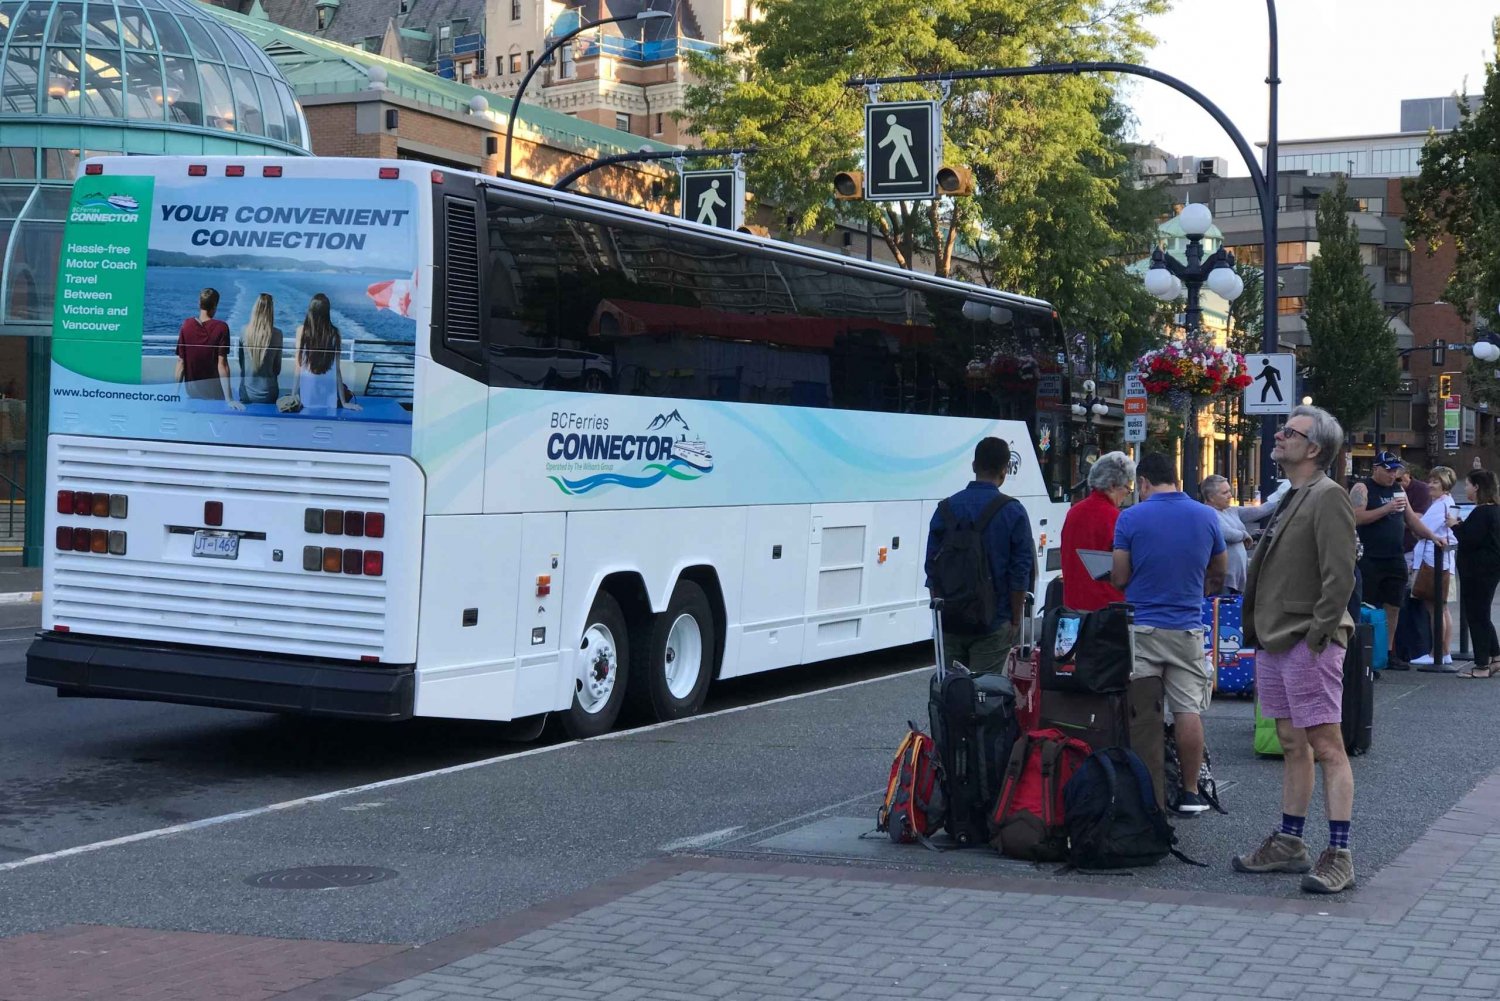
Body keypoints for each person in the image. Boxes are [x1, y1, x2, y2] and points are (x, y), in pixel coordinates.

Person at [1232, 405, 1358, 893]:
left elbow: (1339, 574)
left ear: (1315, 449)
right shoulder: (1293, 495)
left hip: (1307, 639)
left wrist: (1319, 633)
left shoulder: (1328, 497)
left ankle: (1340, 853)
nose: (1279, 436)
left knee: (1327, 745)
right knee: (1290, 742)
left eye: (1291, 432)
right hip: (1276, 639)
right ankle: (1290, 842)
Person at [1111, 453, 1227, 814]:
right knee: (1187, 710)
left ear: (1144, 482)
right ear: (1175, 478)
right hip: (1187, 627)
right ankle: (1190, 793)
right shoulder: (1207, 516)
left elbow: (1119, 577)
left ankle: (1148, 794)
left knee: (1143, 711)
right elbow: (1219, 571)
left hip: (1142, 627)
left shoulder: (1130, 517)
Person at [925, 437, 1034, 675]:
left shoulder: (945, 508)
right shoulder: (1013, 511)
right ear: (1005, 470)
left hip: (951, 620)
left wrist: (941, 614)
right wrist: (1015, 619)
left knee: (951, 692)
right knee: (984, 696)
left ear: (974, 465)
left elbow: (931, 569)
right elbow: (1020, 572)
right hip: (992, 622)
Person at [1352, 452, 1441, 669]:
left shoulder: (1398, 490)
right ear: (1376, 468)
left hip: (1394, 556)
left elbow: (1410, 519)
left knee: (1394, 606)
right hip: (1369, 556)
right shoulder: (1362, 488)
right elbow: (1355, 517)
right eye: (1388, 470)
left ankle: (1388, 652)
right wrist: (1386, 509)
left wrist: (1431, 536)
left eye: (1395, 471)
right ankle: (1365, 654)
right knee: (1368, 606)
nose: (1393, 475)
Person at [1060, 451, 1134, 612]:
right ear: (1113, 485)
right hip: (1106, 610)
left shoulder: (1074, 512)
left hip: (1073, 606)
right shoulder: (1116, 518)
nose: (1127, 494)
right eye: (1128, 488)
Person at [1199, 474, 1285, 593]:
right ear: (1211, 497)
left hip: (1238, 578)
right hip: (1222, 579)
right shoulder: (1207, 513)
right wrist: (1244, 534)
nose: (1230, 495)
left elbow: (1260, 510)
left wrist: (1282, 496)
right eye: (1225, 493)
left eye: (1229, 491)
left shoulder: (1231, 511)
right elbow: (1226, 533)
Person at [1453, 470, 1500, 678]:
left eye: (1468, 485)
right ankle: (1495, 655)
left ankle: (1481, 665)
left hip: (1477, 570)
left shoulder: (1482, 512)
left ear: (1477, 487)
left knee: (1476, 615)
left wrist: (1455, 526)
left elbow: (1470, 539)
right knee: (1483, 612)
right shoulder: (1495, 510)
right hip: (1490, 569)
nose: (1466, 488)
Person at [1411, 466, 1459, 668]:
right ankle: (1444, 651)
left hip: (1433, 561)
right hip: (1442, 561)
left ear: (1446, 484)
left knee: (1434, 608)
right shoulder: (1447, 502)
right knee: (1442, 608)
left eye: (1436, 481)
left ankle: (1436, 653)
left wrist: (1416, 524)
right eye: (1430, 480)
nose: (1430, 485)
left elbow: (1422, 530)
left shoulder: (1441, 505)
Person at [175, 287, 243, 409]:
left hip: (192, 392)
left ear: (199, 303)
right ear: (215, 305)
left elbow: (181, 363)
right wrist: (229, 399)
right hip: (214, 393)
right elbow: (222, 364)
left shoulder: (186, 325)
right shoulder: (221, 328)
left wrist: (173, 394)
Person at [294, 293, 361, 412]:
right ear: (327, 312)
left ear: (310, 310)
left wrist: (293, 396)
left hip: (307, 395)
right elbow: (337, 370)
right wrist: (344, 402)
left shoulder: (301, 331)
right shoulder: (335, 333)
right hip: (328, 397)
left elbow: (298, 367)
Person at [237, 293, 283, 405]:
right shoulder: (277, 334)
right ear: (271, 311)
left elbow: (241, 363)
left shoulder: (244, 331)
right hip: (269, 394)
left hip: (246, 393)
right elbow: (277, 369)